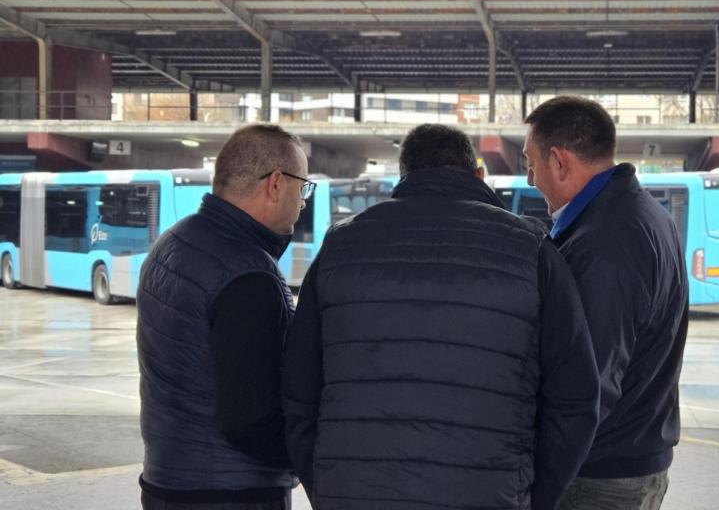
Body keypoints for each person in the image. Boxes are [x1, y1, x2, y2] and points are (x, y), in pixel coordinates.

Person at [282, 123, 600, 510]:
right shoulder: (531, 251)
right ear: (478, 176)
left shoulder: (340, 245)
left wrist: (329, 485)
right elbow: (576, 402)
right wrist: (532, 496)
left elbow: (298, 392)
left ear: (404, 176)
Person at [522, 96, 689, 510]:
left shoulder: (604, 242)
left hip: (597, 475)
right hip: (632, 457)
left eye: (530, 163)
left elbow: (587, 383)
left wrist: (540, 484)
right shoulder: (645, 214)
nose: (529, 178)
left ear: (559, 161)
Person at [136, 124, 312, 509]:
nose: (303, 202)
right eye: (304, 187)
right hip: (230, 494)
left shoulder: (173, 242)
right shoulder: (247, 275)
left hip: (165, 481)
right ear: (277, 184)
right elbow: (251, 419)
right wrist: (310, 459)